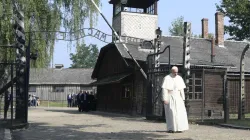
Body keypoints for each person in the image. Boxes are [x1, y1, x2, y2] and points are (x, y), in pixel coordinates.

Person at [161, 66, 189, 133]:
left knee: (180, 113)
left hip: (178, 98)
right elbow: (164, 90)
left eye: (177, 72)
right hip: (170, 97)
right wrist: (165, 99)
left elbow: (181, 89)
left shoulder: (179, 78)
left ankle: (180, 128)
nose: (176, 74)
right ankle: (171, 128)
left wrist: (183, 98)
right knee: (172, 113)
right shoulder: (167, 78)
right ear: (171, 71)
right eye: (174, 72)